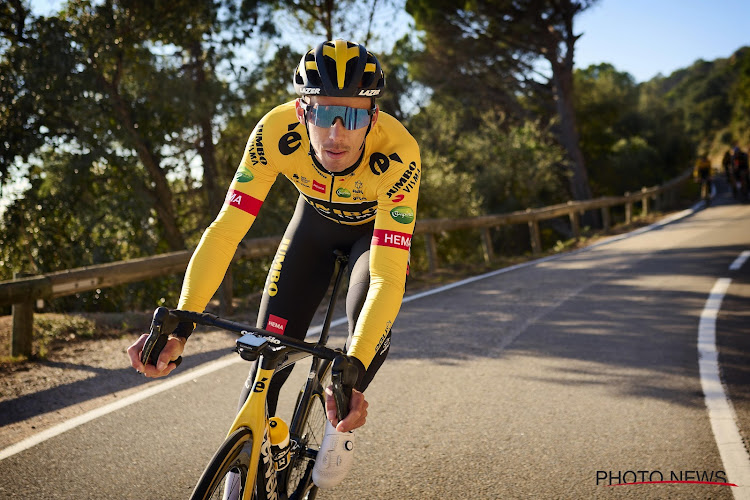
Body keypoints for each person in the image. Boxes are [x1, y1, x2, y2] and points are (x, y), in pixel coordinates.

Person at [127, 39, 421, 488]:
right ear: (302, 113)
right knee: (267, 362)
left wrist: (354, 363)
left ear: (373, 118)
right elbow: (226, 230)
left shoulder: (399, 154)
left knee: (358, 346)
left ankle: (335, 424)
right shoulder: (273, 134)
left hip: (372, 240)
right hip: (313, 227)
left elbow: (385, 274)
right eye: (323, 114)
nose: (336, 134)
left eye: (354, 115)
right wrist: (181, 323)